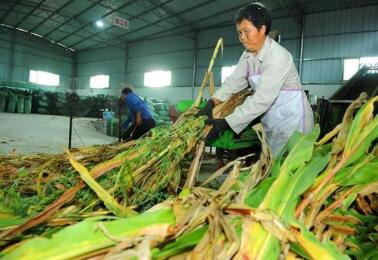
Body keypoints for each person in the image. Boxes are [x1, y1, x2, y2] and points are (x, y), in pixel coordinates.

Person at [197, 2, 314, 155]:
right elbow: (234, 82)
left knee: (293, 171)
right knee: (275, 169)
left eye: (246, 31)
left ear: (262, 29)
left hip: (294, 123)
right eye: (239, 32)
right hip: (273, 123)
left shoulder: (278, 57)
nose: (242, 38)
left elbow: (261, 99)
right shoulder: (247, 56)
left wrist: (227, 123)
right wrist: (212, 102)